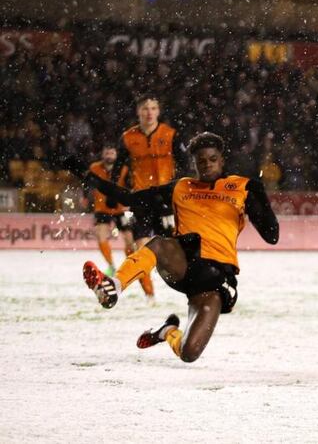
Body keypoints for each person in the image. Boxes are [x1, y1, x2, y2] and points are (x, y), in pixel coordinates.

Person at [75, 133, 279, 363]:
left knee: (189, 353)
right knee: (160, 244)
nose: (207, 164)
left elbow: (272, 236)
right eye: (201, 161)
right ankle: (113, 286)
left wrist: (260, 196)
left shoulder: (241, 188)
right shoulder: (181, 187)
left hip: (215, 280)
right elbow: (130, 199)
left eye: (212, 159)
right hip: (183, 263)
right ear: (194, 163)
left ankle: (168, 332)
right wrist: (88, 177)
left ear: (222, 160)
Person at [114, 95, 188, 302]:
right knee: (141, 247)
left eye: (153, 108)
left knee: (177, 249)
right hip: (141, 200)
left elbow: (186, 165)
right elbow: (118, 169)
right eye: (145, 108)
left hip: (166, 200)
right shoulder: (128, 138)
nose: (149, 112)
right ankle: (150, 295)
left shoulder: (170, 134)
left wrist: (181, 190)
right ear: (138, 111)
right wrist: (114, 193)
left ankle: (192, 288)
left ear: (158, 111)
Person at [88, 144, 135, 276]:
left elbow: (130, 186)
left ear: (116, 155)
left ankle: (130, 266)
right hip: (102, 208)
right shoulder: (94, 168)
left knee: (130, 240)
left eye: (112, 153)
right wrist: (86, 196)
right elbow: (88, 184)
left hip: (121, 208)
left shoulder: (124, 169)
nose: (109, 156)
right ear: (102, 155)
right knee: (101, 236)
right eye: (107, 153)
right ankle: (111, 266)